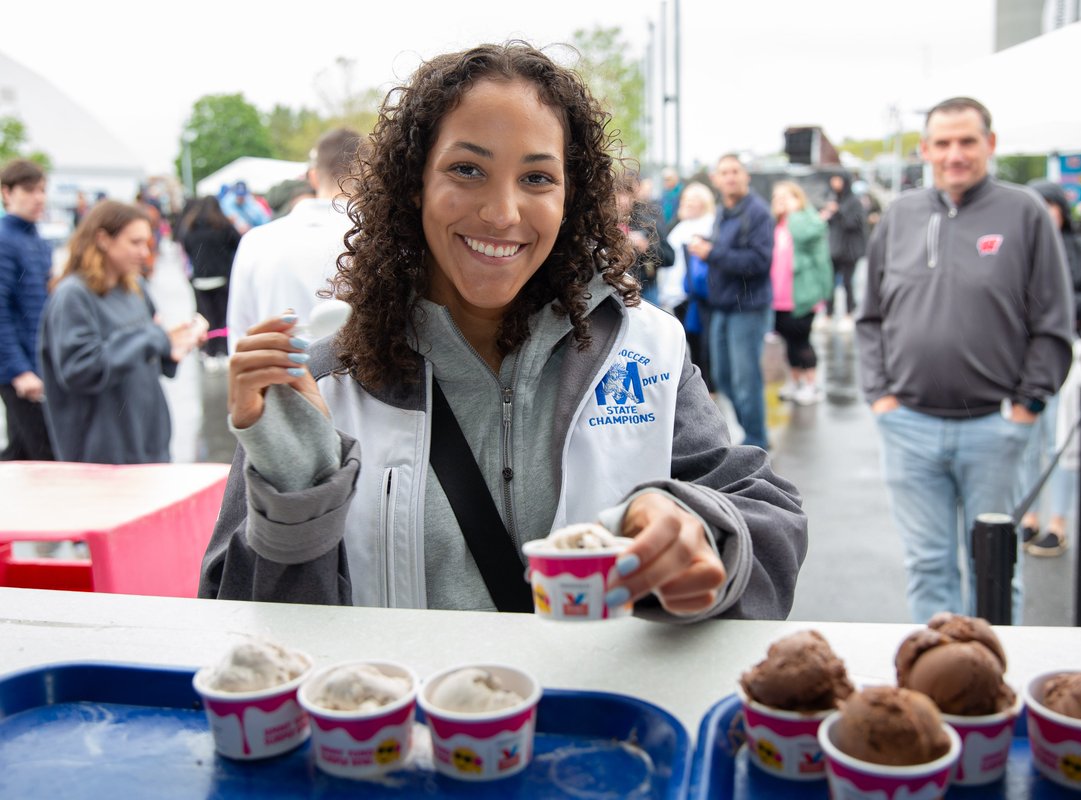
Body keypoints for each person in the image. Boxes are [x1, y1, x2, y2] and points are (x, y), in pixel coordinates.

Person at [198, 43, 806, 621]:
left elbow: (765, 511)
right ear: (415, 185)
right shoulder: (325, 384)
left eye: (538, 178)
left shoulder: (646, 349)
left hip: (606, 726)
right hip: (412, 733)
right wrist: (297, 487)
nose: (503, 212)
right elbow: (251, 631)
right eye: (467, 169)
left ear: (572, 196)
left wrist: (700, 531)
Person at [856, 96, 1073, 623]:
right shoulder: (901, 216)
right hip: (907, 426)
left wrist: (1027, 407)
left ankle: (994, 684)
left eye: (967, 141)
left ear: (990, 145)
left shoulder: (1024, 213)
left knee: (994, 568)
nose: (955, 154)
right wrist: (880, 396)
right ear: (925, 150)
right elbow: (871, 319)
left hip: (994, 430)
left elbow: (1054, 322)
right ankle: (941, 683)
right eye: (944, 143)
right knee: (928, 565)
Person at [39, 200, 207, 464]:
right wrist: (152, 338)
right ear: (103, 239)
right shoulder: (73, 295)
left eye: (147, 244)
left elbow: (145, 353)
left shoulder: (135, 288)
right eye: (135, 243)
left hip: (147, 440)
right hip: (103, 451)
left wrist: (174, 345)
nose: (144, 253)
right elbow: (79, 368)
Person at [1016, 180, 1081, 557]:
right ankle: (1030, 516)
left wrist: (1054, 309)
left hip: (1069, 355)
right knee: (1028, 444)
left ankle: (1059, 521)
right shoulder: (1021, 248)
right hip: (1024, 358)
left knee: (1064, 445)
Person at [226, 128, 362, 350]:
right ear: (370, 175)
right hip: (366, 382)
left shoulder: (256, 242)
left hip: (279, 381)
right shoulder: (385, 240)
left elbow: (240, 340)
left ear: (313, 177)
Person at [687, 154, 774, 450]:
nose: (730, 177)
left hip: (748, 308)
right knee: (722, 377)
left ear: (746, 175)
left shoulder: (758, 213)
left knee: (745, 380)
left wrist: (711, 253)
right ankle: (748, 431)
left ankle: (756, 439)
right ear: (716, 179)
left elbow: (759, 262)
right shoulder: (725, 211)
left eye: (735, 171)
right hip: (721, 305)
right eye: (724, 172)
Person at [0, 159, 55, 461]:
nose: (39, 198)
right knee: (42, 456)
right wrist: (18, 371)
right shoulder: (4, 239)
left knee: (22, 454)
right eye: (30, 190)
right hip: (20, 370)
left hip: (38, 363)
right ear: (6, 192)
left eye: (43, 190)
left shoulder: (36, 239)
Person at [770, 181, 833, 405]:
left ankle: (811, 385)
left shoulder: (806, 222)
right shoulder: (776, 225)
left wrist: (794, 212)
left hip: (803, 295)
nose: (781, 201)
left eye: (787, 196)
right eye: (777, 197)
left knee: (802, 341)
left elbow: (806, 237)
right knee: (788, 342)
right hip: (779, 297)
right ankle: (795, 382)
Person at [665, 182, 717, 392]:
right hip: (677, 295)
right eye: (685, 200)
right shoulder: (680, 226)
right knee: (689, 342)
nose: (687, 204)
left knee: (701, 343)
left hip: (696, 295)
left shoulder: (708, 226)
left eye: (693, 201)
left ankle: (708, 387)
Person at [178, 196, 241, 362]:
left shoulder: (190, 228)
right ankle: (224, 350)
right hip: (221, 278)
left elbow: (187, 249)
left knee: (206, 317)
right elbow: (239, 244)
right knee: (223, 316)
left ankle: (210, 352)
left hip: (200, 279)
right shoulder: (224, 226)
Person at [616, 173, 674, 308]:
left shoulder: (647, 220)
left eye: (627, 194)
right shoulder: (601, 222)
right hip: (611, 292)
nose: (622, 200)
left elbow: (670, 257)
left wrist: (647, 247)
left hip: (645, 291)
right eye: (618, 193)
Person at [819, 171, 866, 332]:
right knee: (829, 283)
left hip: (849, 250)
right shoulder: (832, 199)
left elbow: (854, 223)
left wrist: (838, 211)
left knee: (848, 283)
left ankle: (848, 313)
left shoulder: (853, 202)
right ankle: (829, 313)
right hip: (834, 249)